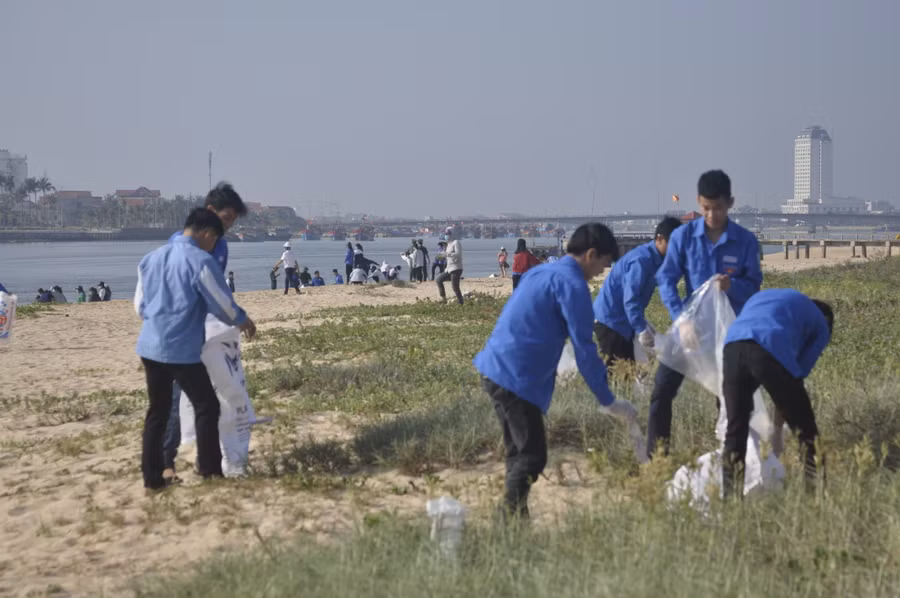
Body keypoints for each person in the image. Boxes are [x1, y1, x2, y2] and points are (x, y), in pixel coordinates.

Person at [473, 223, 637, 518]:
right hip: (516, 377)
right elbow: (586, 352)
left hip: (494, 368)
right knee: (533, 456)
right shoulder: (573, 287)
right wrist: (608, 401)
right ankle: (505, 520)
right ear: (590, 254)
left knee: (518, 453)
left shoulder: (541, 272)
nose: (602, 271)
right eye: (603, 263)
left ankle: (516, 525)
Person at [134, 208, 256, 491]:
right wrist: (243, 320)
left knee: (157, 412)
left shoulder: (151, 258)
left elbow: (140, 305)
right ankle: (210, 469)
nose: (214, 246)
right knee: (207, 405)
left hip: (150, 346)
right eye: (215, 240)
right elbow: (221, 303)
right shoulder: (200, 261)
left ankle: (151, 478)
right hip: (180, 348)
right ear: (206, 233)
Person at [647, 170, 762, 458]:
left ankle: (731, 456)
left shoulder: (744, 241)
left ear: (730, 203)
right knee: (662, 389)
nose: (712, 215)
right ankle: (656, 458)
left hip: (729, 330)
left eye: (719, 208)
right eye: (706, 208)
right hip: (690, 327)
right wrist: (681, 319)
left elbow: (754, 283)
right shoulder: (684, 237)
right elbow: (666, 279)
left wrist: (732, 284)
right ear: (699, 203)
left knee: (729, 398)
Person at [163, 181, 248, 478]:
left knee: (213, 398)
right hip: (182, 334)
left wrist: (233, 318)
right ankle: (166, 462)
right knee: (177, 398)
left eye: (232, 222)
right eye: (225, 219)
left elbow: (218, 290)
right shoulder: (180, 245)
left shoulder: (220, 244)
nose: (227, 228)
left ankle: (207, 461)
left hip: (209, 334)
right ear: (209, 212)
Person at [721, 290, 833, 498]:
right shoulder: (821, 324)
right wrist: (778, 430)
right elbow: (795, 377)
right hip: (767, 347)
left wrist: (776, 429)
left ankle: (730, 500)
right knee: (807, 432)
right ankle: (816, 496)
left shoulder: (778, 301)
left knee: (736, 430)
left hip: (732, 347)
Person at [592, 217, 682, 368]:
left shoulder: (658, 260)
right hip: (611, 322)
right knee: (617, 373)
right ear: (659, 239)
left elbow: (668, 286)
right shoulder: (642, 261)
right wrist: (641, 329)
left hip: (624, 321)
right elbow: (630, 299)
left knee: (630, 369)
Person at [436, 228, 464, 304]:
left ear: (452, 234)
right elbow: (448, 257)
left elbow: (458, 254)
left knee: (455, 287)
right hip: (449, 268)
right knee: (438, 280)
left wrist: (447, 254)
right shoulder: (448, 244)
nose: (446, 236)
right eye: (445, 234)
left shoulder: (456, 242)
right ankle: (444, 299)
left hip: (456, 268)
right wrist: (442, 256)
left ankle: (461, 302)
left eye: (448, 234)